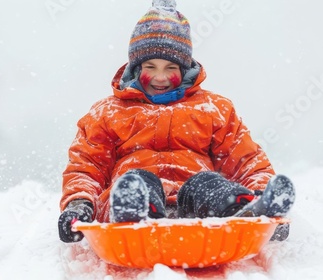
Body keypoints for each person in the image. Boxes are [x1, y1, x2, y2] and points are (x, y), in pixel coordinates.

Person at [58, 0, 294, 243]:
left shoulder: (213, 108)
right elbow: (87, 166)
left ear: (184, 68)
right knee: (137, 180)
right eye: (151, 66)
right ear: (136, 69)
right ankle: (134, 212)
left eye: (170, 67)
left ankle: (251, 212)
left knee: (208, 183)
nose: (160, 77)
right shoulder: (108, 112)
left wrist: (261, 189)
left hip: (196, 207)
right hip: (132, 201)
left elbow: (246, 159)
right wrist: (79, 204)